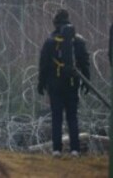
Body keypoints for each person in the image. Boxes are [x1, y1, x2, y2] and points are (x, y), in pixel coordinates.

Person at [37, 9, 91, 157]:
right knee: (72, 117)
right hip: (72, 83)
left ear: (56, 23)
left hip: (55, 84)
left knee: (57, 117)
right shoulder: (78, 41)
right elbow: (84, 63)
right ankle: (75, 150)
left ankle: (56, 150)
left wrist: (41, 84)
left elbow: (44, 65)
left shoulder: (50, 41)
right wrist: (87, 81)